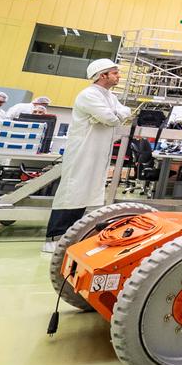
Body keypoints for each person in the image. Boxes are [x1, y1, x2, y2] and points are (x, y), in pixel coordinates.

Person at [43, 59, 132, 253]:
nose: (119, 76)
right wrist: (113, 116)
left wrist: (114, 114)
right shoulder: (88, 95)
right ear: (103, 75)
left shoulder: (109, 96)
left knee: (89, 193)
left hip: (98, 152)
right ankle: (54, 237)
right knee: (73, 192)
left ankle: (76, 235)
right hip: (83, 151)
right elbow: (109, 119)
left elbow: (125, 112)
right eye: (115, 73)